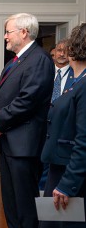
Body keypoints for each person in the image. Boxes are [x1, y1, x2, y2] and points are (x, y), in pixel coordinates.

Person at [0, 13, 54, 228]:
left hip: (25, 144)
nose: (5, 36)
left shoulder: (40, 60)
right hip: (9, 140)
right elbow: (2, 95)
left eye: (8, 31)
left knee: (25, 201)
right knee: (11, 199)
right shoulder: (16, 60)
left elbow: (28, 100)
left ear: (23, 32)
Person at [35, 23, 86, 228]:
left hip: (70, 175)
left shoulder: (84, 85)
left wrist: (67, 185)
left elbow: (83, 140)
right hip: (58, 167)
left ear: (76, 49)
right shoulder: (78, 81)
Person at [39, 39, 75, 191]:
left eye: (66, 51)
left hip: (63, 128)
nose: (62, 53)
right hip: (41, 125)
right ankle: (39, 197)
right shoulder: (43, 71)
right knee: (41, 165)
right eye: (59, 50)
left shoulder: (77, 75)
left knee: (56, 170)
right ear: (53, 54)